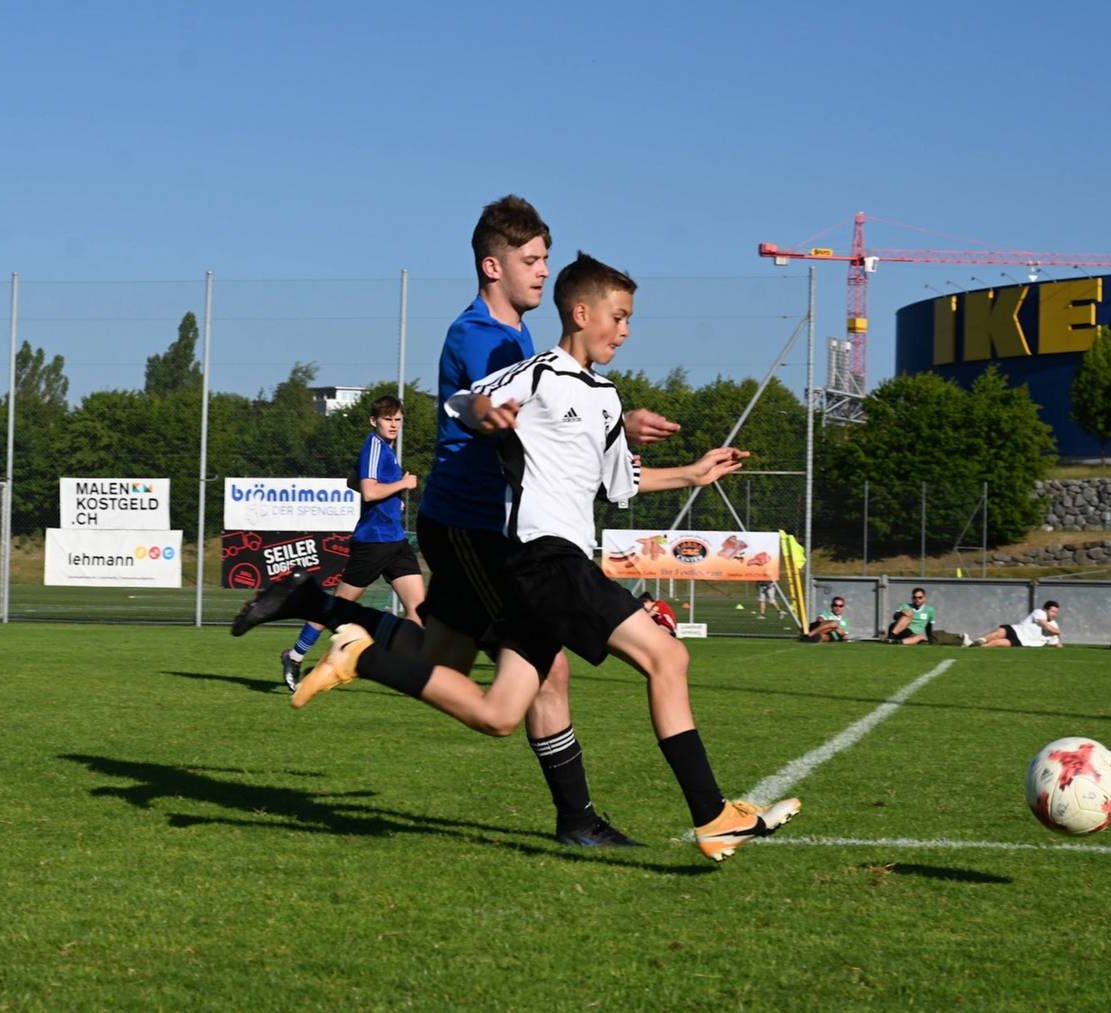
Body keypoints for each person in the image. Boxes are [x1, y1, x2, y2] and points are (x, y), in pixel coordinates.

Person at [286, 252, 802, 863]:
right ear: (582, 313)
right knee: (668, 656)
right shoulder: (538, 374)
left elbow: (621, 486)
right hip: (546, 559)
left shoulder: (607, 397)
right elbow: (466, 402)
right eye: (620, 316)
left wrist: (692, 473)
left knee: (500, 712)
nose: (627, 329)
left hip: (549, 568)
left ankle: (365, 658)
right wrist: (484, 412)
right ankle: (713, 815)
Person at [236, 196, 679, 847]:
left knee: (434, 654)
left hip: (467, 526)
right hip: (473, 528)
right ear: (490, 265)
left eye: (545, 259)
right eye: (529, 260)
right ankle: (576, 818)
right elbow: (482, 401)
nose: (540, 272)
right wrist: (583, 421)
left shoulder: (517, 334)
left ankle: (312, 603)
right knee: (539, 668)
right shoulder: (483, 335)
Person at [280, 395, 425, 691]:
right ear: (374, 421)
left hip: (395, 541)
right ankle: (294, 656)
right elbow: (369, 492)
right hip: (373, 543)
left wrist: (393, 500)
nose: (394, 424)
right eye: (388, 419)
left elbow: (354, 481)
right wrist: (402, 485)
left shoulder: (386, 450)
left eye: (398, 419)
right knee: (336, 606)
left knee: (419, 608)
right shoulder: (373, 445)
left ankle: (413, 671)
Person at [972, 600, 1063, 648]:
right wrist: (1058, 632)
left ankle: (978, 648)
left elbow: (1054, 643)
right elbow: (1046, 626)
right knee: (996, 635)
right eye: (1052, 611)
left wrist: (1060, 645)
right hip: (1015, 630)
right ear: (1045, 610)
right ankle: (974, 643)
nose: (1054, 614)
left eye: (1056, 612)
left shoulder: (1055, 625)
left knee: (996, 643)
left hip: (1021, 641)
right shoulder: (1039, 612)